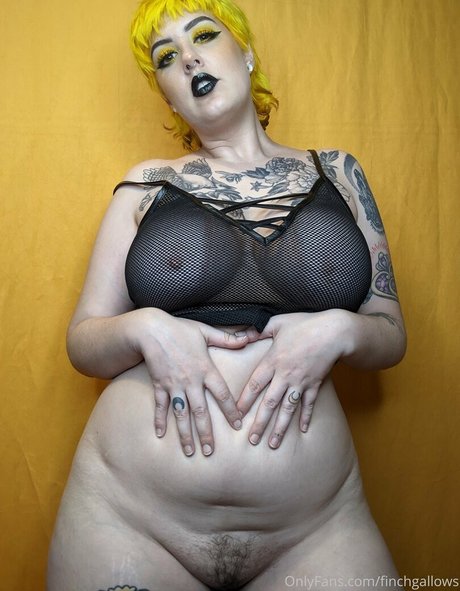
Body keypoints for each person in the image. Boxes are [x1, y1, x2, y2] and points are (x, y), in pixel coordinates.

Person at [47, 0, 407, 589]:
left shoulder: (338, 172)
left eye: (204, 36)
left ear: (247, 54)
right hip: (129, 521)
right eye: (167, 57)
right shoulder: (145, 185)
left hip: (315, 531)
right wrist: (146, 328)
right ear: (168, 98)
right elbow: (83, 341)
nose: (189, 59)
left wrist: (340, 328)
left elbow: (390, 335)